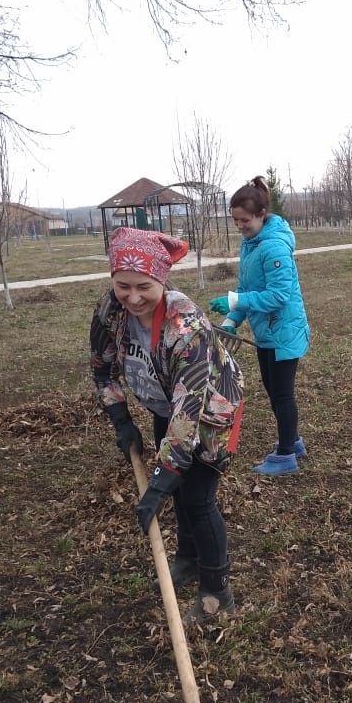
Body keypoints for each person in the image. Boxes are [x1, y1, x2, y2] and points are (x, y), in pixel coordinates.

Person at [90, 227, 244, 622]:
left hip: (211, 410)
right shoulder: (110, 311)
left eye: (144, 286)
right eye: (123, 285)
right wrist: (121, 420)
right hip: (165, 406)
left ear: (161, 279)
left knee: (196, 497)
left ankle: (216, 593)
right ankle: (188, 560)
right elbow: (102, 371)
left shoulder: (185, 326)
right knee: (178, 491)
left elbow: (190, 411)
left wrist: (159, 480)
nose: (133, 297)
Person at [210, 176, 309, 476]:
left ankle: (286, 455)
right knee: (273, 390)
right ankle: (293, 441)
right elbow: (245, 287)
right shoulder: (250, 244)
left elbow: (278, 296)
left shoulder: (274, 248)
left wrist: (234, 300)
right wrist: (230, 320)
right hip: (266, 332)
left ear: (261, 215)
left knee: (282, 394)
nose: (240, 226)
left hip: (283, 331)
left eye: (245, 221)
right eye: (236, 221)